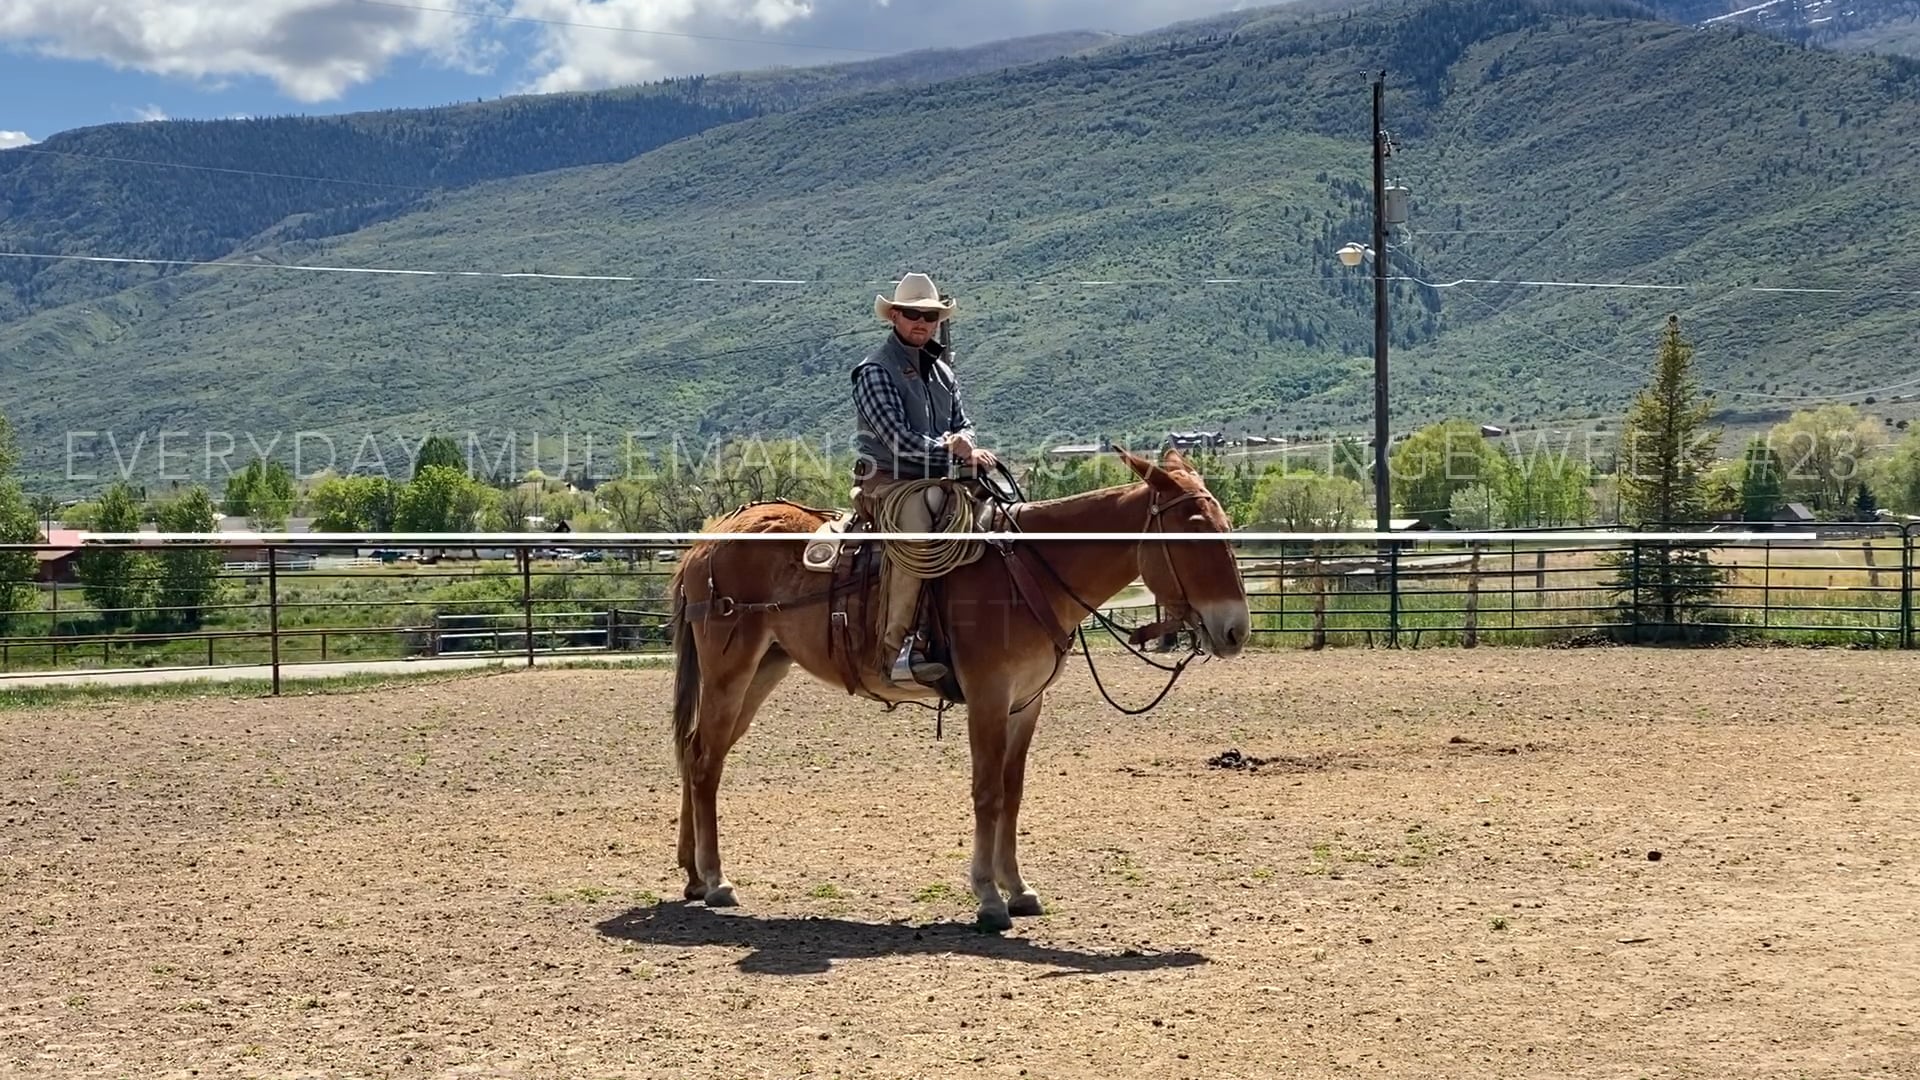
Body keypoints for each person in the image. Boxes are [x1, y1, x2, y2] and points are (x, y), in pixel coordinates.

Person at [851, 272, 997, 688]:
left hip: (939, 480)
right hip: (891, 482)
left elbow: (963, 424)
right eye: (914, 314)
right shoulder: (875, 371)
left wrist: (965, 443)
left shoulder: (943, 373)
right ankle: (895, 649)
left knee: (998, 519)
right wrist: (952, 448)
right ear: (894, 315)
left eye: (930, 316)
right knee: (919, 534)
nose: (923, 322)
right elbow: (896, 440)